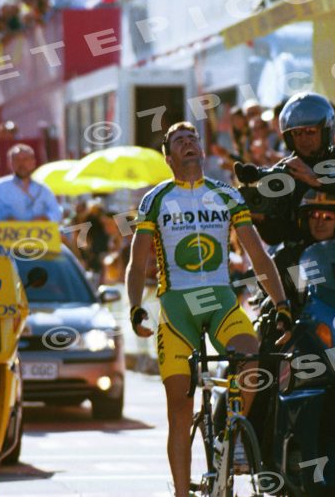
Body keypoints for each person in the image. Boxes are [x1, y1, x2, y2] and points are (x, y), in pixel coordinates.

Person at [125, 121, 292, 497]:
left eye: (193, 139)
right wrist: (136, 308)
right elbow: (137, 264)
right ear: (169, 158)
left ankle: (231, 435)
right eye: (179, 142)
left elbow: (259, 257)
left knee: (251, 356)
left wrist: (281, 303)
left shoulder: (227, 195)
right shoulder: (156, 199)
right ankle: (182, 493)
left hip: (219, 302)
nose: (188, 144)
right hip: (176, 307)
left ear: (201, 150)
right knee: (179, 408)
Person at [248, 92, 335, 245]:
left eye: (310, 132)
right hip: (303, 261)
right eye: (297, 133)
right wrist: (261, 219)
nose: (303, 139)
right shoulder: (284, 170)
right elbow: (276, 236)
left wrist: (318, 180)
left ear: (325, 130)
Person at [0, 144, 62, 222]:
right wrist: (4, 217)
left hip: (37, 233)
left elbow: (57, 213)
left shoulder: (43, 189)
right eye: (17, 159)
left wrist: (45, 218)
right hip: (8, 232)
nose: (21, 164)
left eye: (25, 159)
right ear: (10, 163)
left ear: (33, 162)